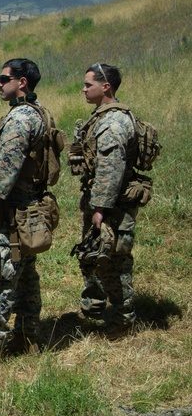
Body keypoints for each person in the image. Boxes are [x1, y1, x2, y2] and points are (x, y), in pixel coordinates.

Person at [0, 58, 63, 363]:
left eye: (3, 78)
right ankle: (27, 337)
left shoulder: (21, 118)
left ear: (21, 82)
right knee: (26, 278)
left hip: (11, 213)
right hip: (30, 211)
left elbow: (7, 166)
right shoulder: (40, 113)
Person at [70, 63, 149, 339]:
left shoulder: (113, 122)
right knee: (95, 257)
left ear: (106, 87)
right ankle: (95, 308)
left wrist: (100, 209)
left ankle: (122, 322)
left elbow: (110, 170)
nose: (83, 89)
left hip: (112, 208)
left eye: (88, 84)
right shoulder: (104, 117)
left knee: (114, 263)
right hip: (104, 203)